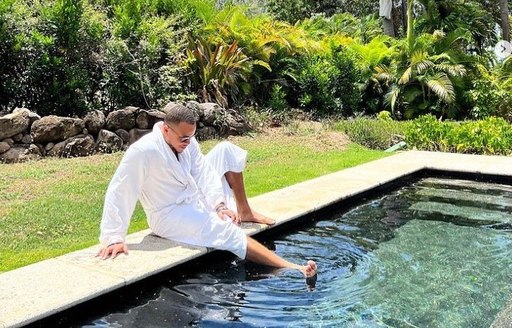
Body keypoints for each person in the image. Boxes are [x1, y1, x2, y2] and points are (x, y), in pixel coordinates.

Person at [97, 103, 317, 286]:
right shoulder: (143, 152)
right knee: (227, 232)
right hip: (167, 215)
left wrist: (219, 206)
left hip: (192, 201)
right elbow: (121, 190)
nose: (188, 143)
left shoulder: (187, 142)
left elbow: (203, 172)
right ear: (165, 130)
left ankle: (243, 212)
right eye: (184, 138)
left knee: (224, 191)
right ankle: (292, 267)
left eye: (191, 137)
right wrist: (114, 237)